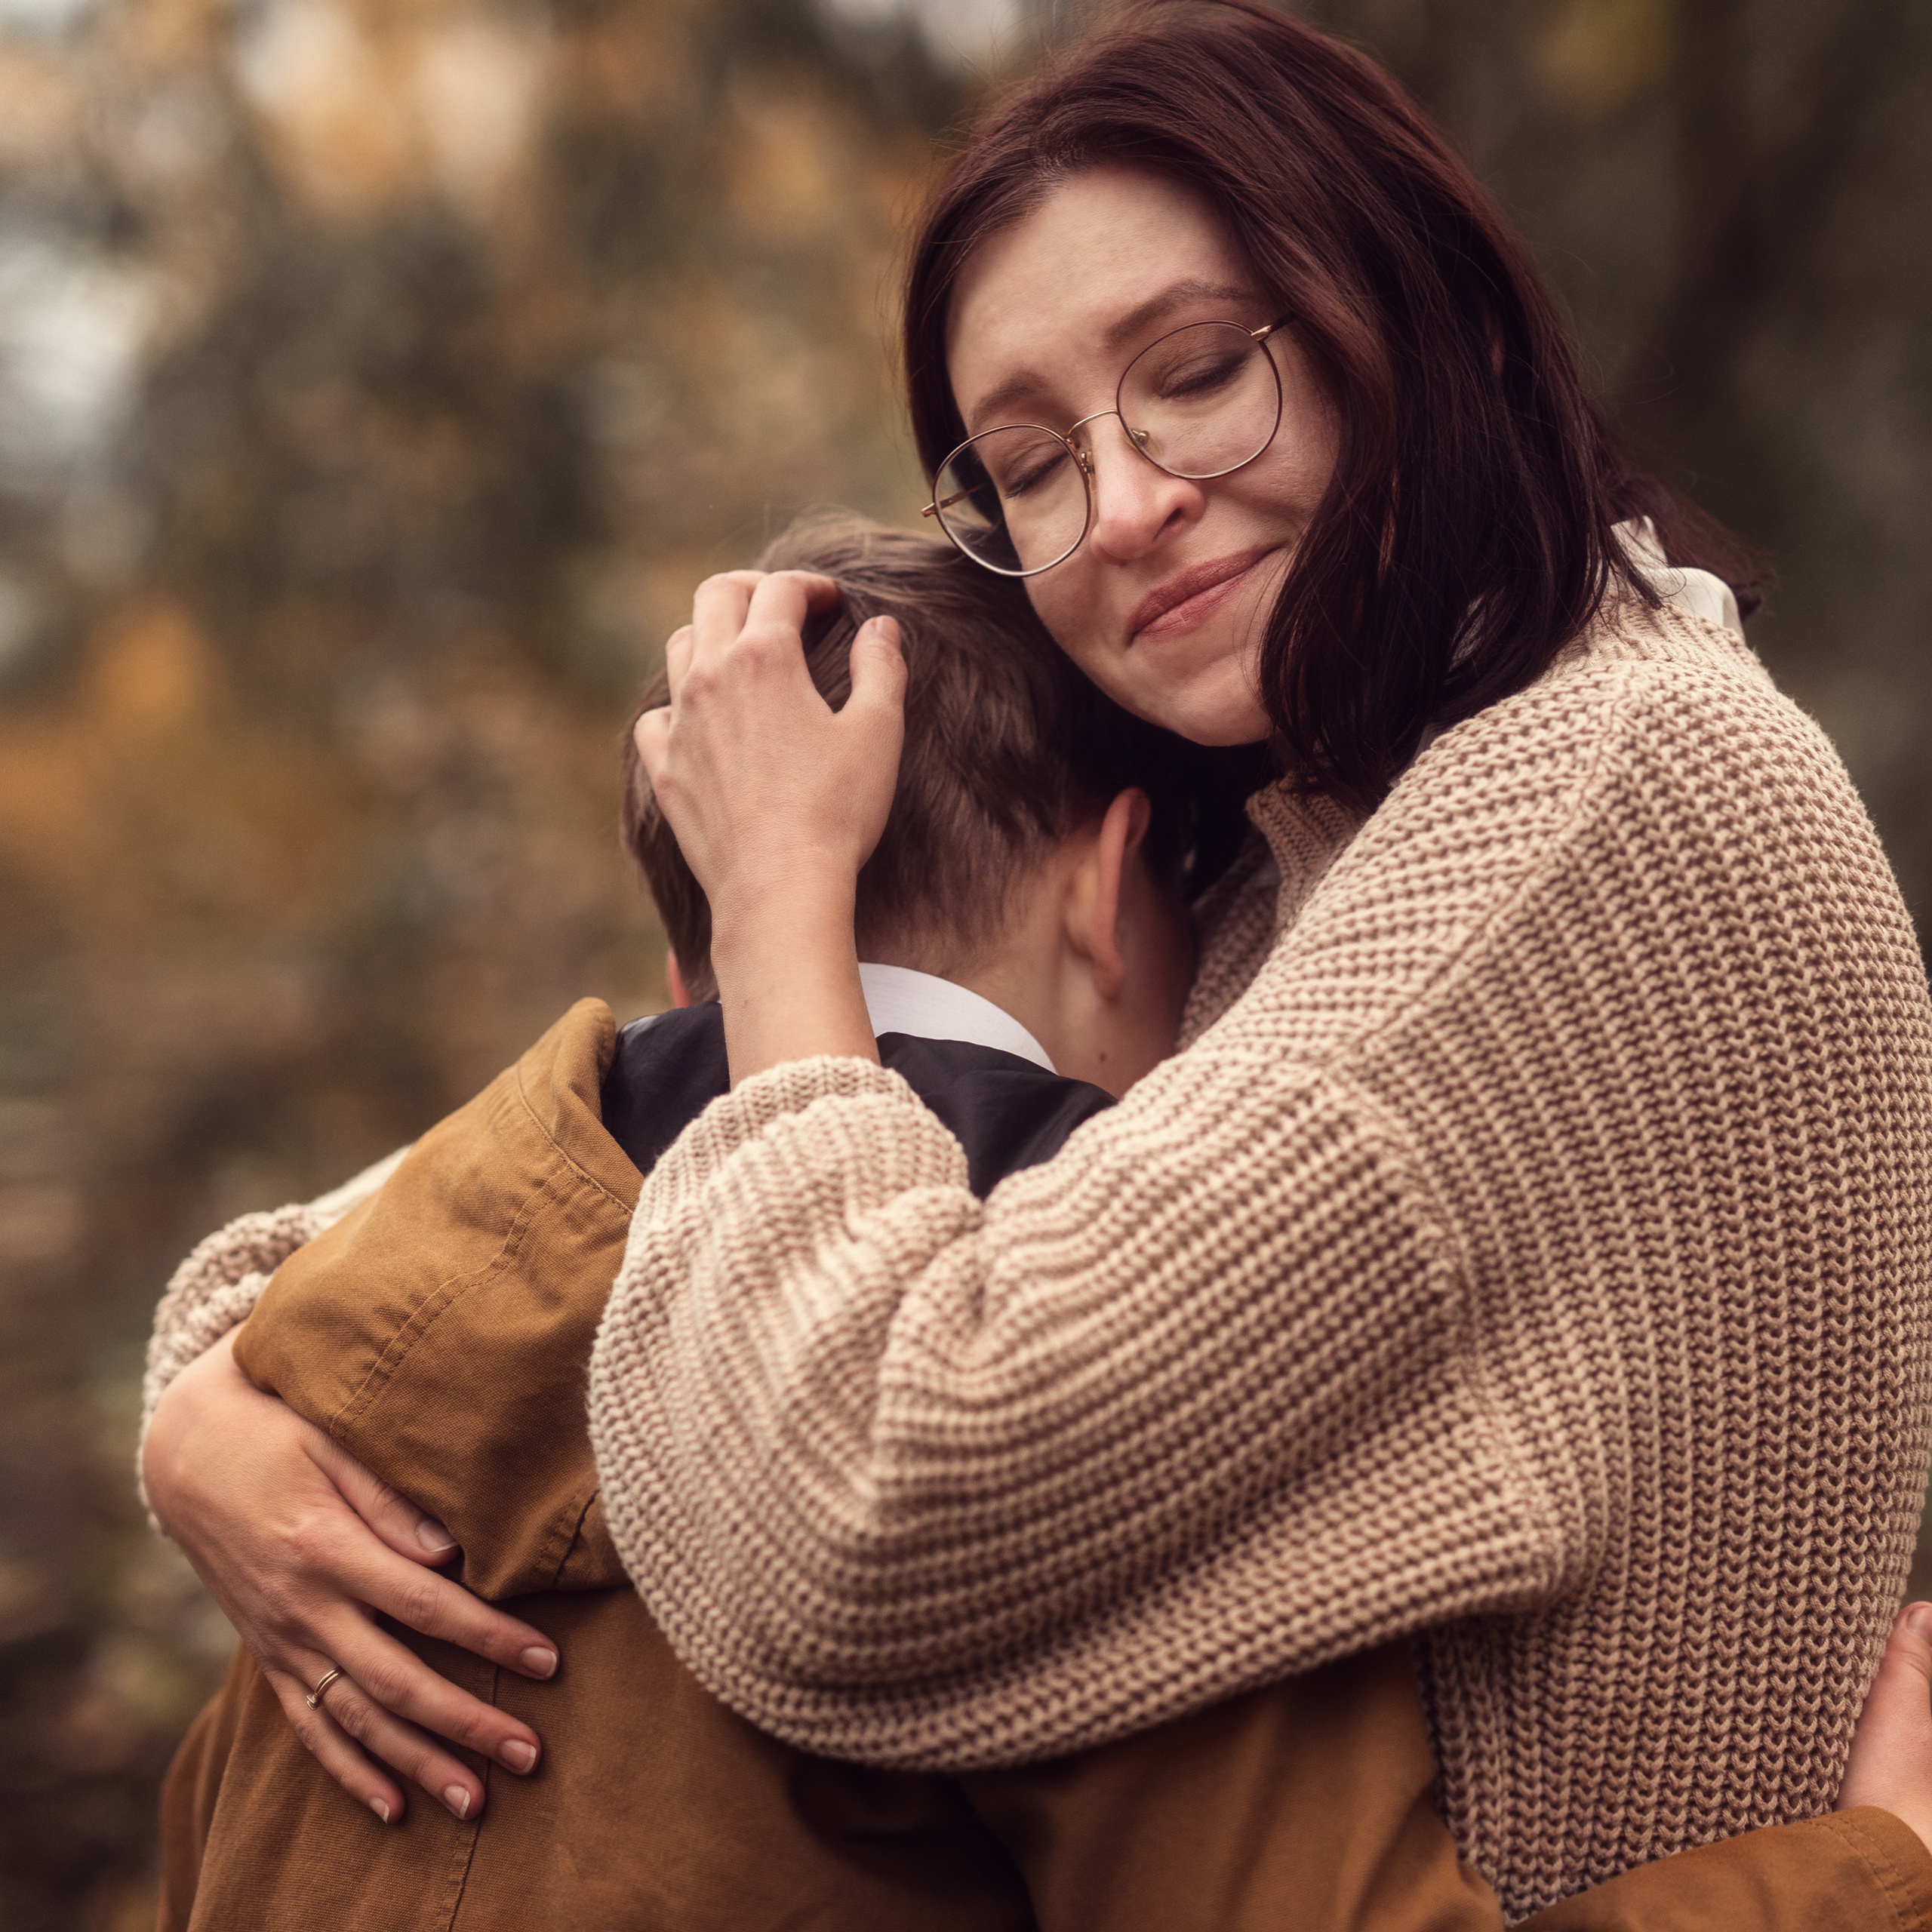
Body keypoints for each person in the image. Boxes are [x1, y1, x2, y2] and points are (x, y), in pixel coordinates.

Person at [138, 1, 1932, 1920]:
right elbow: (600, 1188)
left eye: (1194, 371)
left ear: (1431, 317)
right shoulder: (1281, 856)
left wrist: (775, 906)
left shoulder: (1592, 794)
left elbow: (844, 1503)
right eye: (1030, 461)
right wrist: (209, 1398)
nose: (1127, 507)